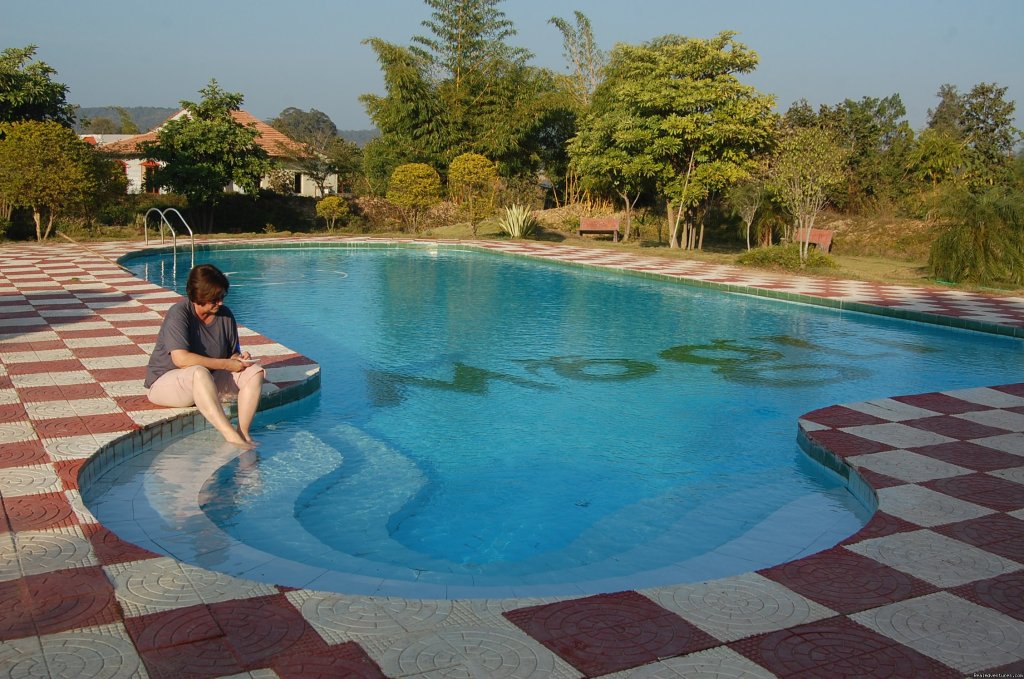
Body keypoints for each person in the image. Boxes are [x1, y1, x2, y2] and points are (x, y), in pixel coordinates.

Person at [145, 263, 265, 447]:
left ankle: (244, 432)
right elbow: (181, 359)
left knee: (255, 372)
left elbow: (231, 354)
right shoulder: (179, 314)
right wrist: (226, 364)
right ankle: (230, 435)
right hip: (167, 384)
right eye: (215, 299)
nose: (220, 303)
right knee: (198, 372)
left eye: (222, 297)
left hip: (208, 380)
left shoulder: (225, 315)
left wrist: (237, 360)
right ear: (199, 296)